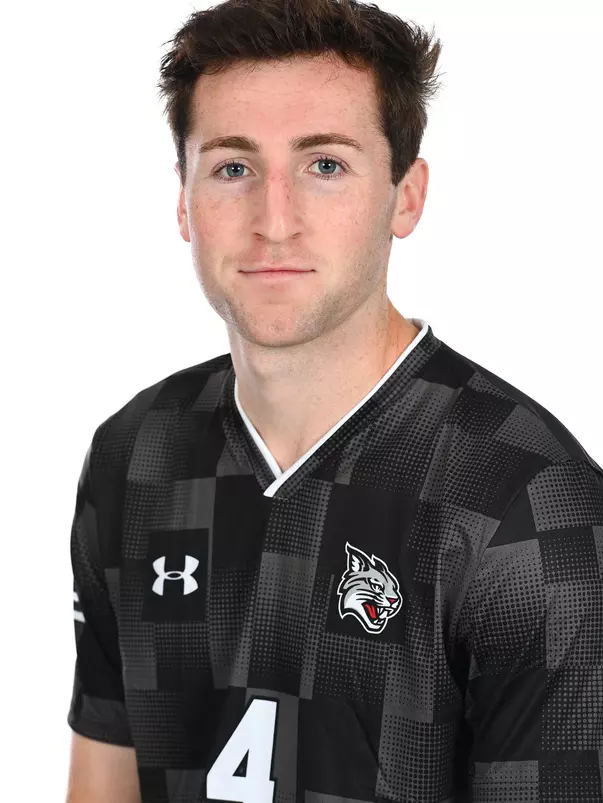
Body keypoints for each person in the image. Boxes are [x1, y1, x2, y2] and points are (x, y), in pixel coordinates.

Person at [65, 1, 603, 801]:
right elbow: (103, 779)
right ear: (183, 199)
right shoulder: (136, 451)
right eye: (233, 167)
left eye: (325, 165)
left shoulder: (528, 504)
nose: (273, 222)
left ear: (406, 196)